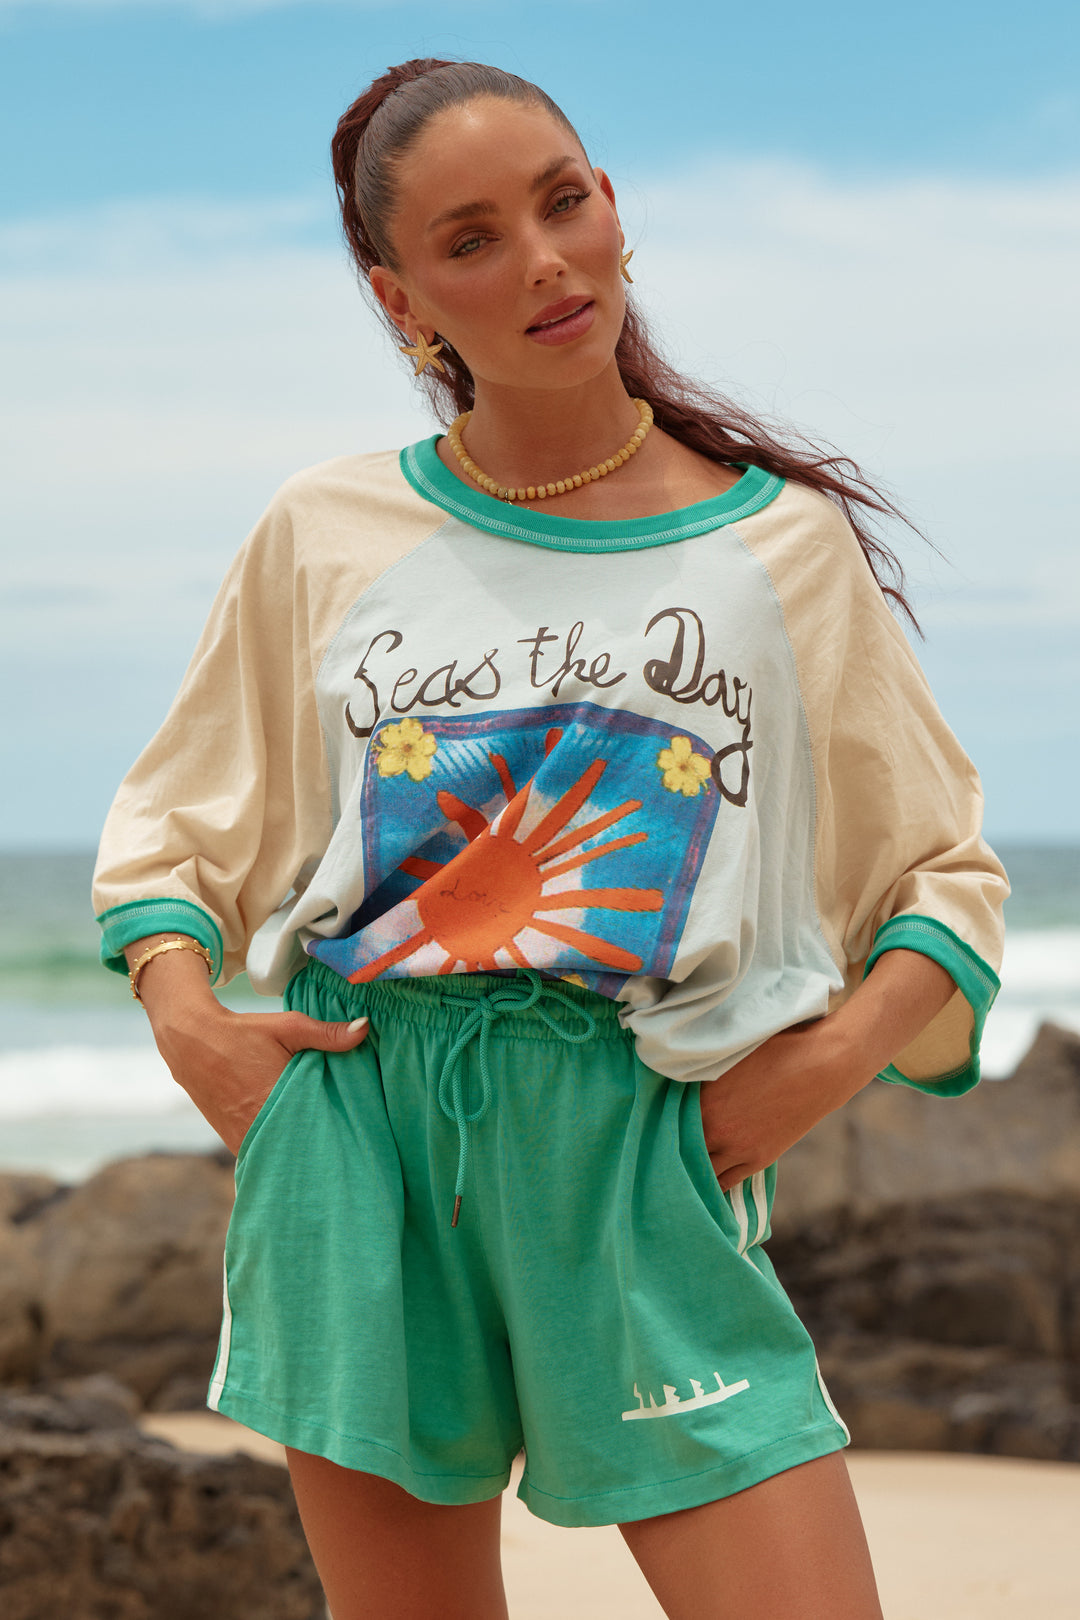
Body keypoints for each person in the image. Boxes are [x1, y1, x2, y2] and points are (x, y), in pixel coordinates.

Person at [93, 58, 1008, 1620]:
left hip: (638, 1151)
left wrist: (816, 1070)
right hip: (365, 1144)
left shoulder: (773, 548)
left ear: (615, 211)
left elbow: (941, 876)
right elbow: (175, 829)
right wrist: (196, 1026)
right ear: (402, 301)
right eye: (471, 241)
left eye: (563, 201)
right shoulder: (325, 531)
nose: (543, 262)